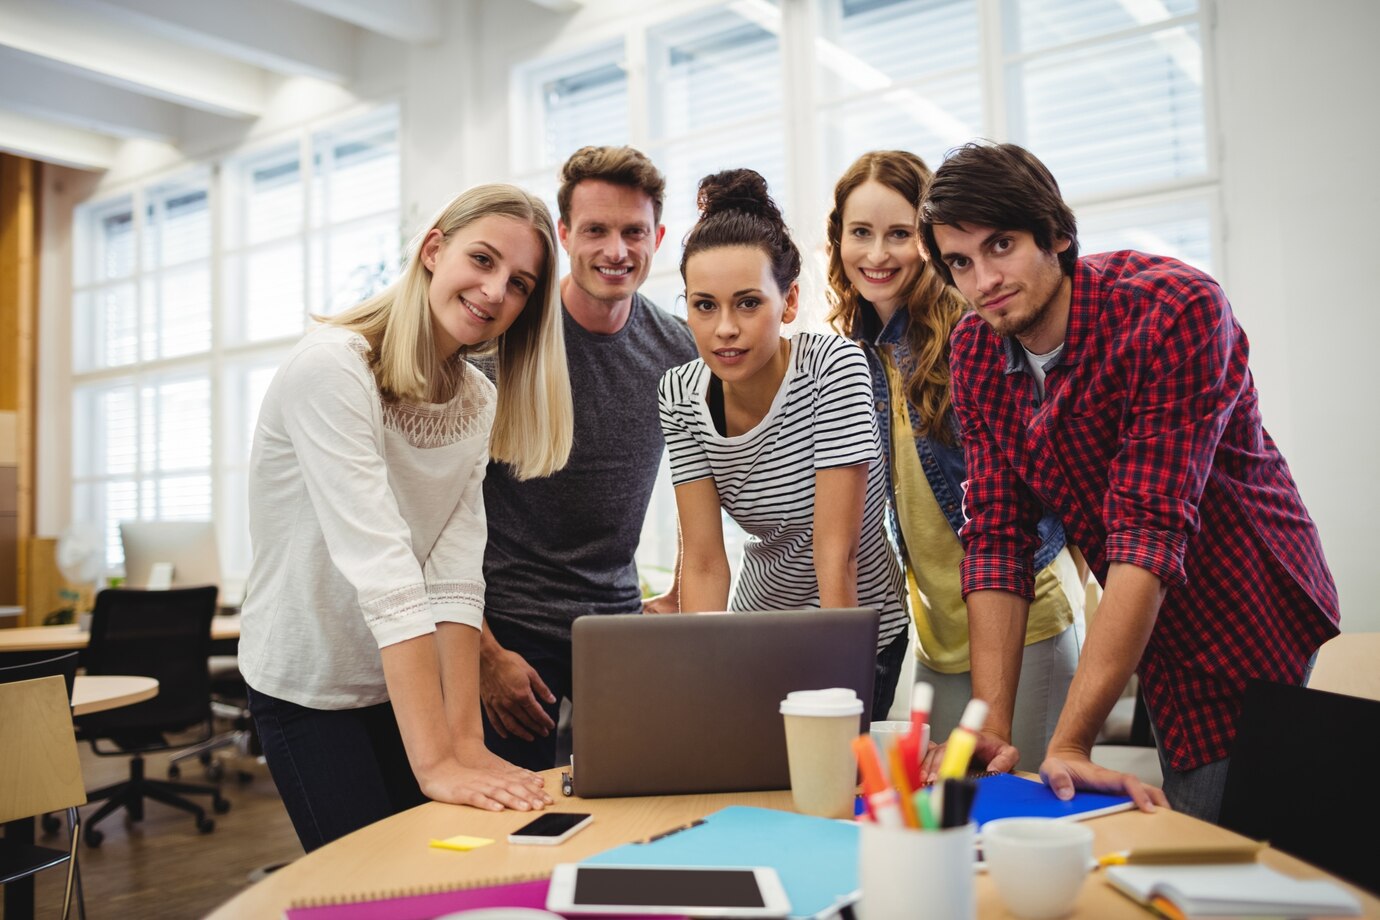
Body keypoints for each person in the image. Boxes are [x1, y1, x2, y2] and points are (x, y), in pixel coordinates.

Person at [919, 141, 1340, 821]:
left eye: (1001, 245)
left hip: (1255, 622)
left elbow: (1146, 531)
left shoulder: (1172, 309)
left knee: (1248, 849)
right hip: (1152, 632)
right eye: (960, 263)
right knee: (1184, 848)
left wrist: (1071, 739)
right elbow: (997, 537)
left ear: (1056, 234)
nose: (983, 281)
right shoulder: (974, 350)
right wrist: (989, 724)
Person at [241, 183, 573, 852]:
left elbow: (453, 578)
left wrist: (464, 744)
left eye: (518, 284)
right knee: (374, 882)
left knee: (444, 861)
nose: (493, 291)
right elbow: (385, 570)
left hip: (396, 688)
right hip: (309, 685)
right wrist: (435, 761)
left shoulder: (476, 400)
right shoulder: (332, 370)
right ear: (433, 250)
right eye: (482, 260)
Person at [825, 150, 1085, 768]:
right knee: (945, 817)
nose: (878, 254)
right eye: (860, 233)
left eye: (899, 235)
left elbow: (1039, 493)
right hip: (937, 633)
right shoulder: (856, 353)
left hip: (1026, 625)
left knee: (1012, 812)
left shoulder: (975, 335)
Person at [659, 168, 909, 719]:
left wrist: (845, 695)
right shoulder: (678, 394)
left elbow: (835, 554)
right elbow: (702, 561)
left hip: (855, 625)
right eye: (704, 305)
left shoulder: (834, 368)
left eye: (748, 303)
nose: (724, 328)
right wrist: (698, 676)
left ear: (789, 301)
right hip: (762, 626)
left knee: (831, 790)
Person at [478, 146, 698, 771]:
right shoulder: (507, 342)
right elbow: (437, 518)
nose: (616, 250)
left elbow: (699, 476)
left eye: (633, 232)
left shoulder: (678, 349)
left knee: (637, 803)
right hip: (510, 627)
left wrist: (682, 588)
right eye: (596, 230)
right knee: (512, 821)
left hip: (615, 627)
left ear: (656, 238)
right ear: (564, 234)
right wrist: (484, 654)